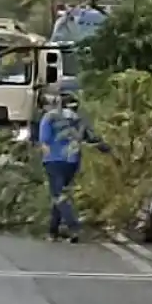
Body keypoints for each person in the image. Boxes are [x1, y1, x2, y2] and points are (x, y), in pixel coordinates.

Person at [38, 90, 110, 242]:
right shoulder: (79, 120)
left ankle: (73, 228)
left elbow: (44, 141)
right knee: (61, 195)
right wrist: (106, 148)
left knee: (58, 195)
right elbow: (92, 138)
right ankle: (53, 231)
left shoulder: (50, 117)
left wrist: (45, 157)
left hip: (54, 161)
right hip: (72, 161)